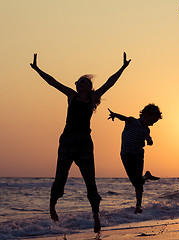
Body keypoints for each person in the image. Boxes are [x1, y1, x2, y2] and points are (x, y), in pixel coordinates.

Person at [30, 52, 131, 233]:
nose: (77, 84)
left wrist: (122, 68)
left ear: (88, 87)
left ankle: (96, 217)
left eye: (81, 82)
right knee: (61, 176)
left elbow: (110, 82)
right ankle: (52, 204)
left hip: (84, 142)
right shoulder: (71, 96)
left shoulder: (93, 98)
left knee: (90, 181)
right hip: (67, 140)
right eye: (77, 82)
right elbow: (52, 82)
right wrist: (38, 69)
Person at [108, 104, 162, 213]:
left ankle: (138, 206)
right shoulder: (132, 121)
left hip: (138, 155)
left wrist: (149, 141)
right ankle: (146, 176)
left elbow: (148, 139)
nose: (152, 124)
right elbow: (123, 118)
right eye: (152, 121)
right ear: (146, 115)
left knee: (137, 181)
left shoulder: (146, 130)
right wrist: (115, 114)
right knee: (134, 180)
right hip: (125, 155)